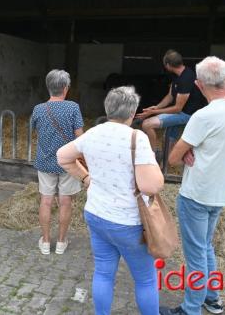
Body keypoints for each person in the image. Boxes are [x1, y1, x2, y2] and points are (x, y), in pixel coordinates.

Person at [57, 86, 164, 314]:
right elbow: (151, 186)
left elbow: (62, 156)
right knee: (146, 280)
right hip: (128, 223)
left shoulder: (93, 133)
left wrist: (86, 178)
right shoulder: (138, 138)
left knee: (104, 273)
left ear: (108, 109)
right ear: (133, 113)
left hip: (96, 215)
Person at [160, 57, 225, 315]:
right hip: (220, 193)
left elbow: (174, 158)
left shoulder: (204, 116)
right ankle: (212, 298)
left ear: (198, 84)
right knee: (205, 246)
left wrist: (188, 150)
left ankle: (190, 309)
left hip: (196, 194)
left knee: (196, 254)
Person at [30, 69, 84, 255]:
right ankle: (61, 242)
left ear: (49, 87)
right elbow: (79, 137)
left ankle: (45, 242)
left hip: (45, 162)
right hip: (68, 162)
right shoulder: (73, 108)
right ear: (65, 88)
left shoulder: (38, 109)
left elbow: (34, 131)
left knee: (45, 201)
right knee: (65, 201)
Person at [136, 50, 206, 152]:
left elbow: (178, 108)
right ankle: (164, 162)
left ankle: (153, 154)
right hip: (181, 111)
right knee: (167, 138)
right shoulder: (177, 75)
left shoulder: (186, 78)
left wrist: (153, 112)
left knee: (146, 124)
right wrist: (157, 107)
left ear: (168, 65)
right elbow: (170, 96)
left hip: (187, 114)